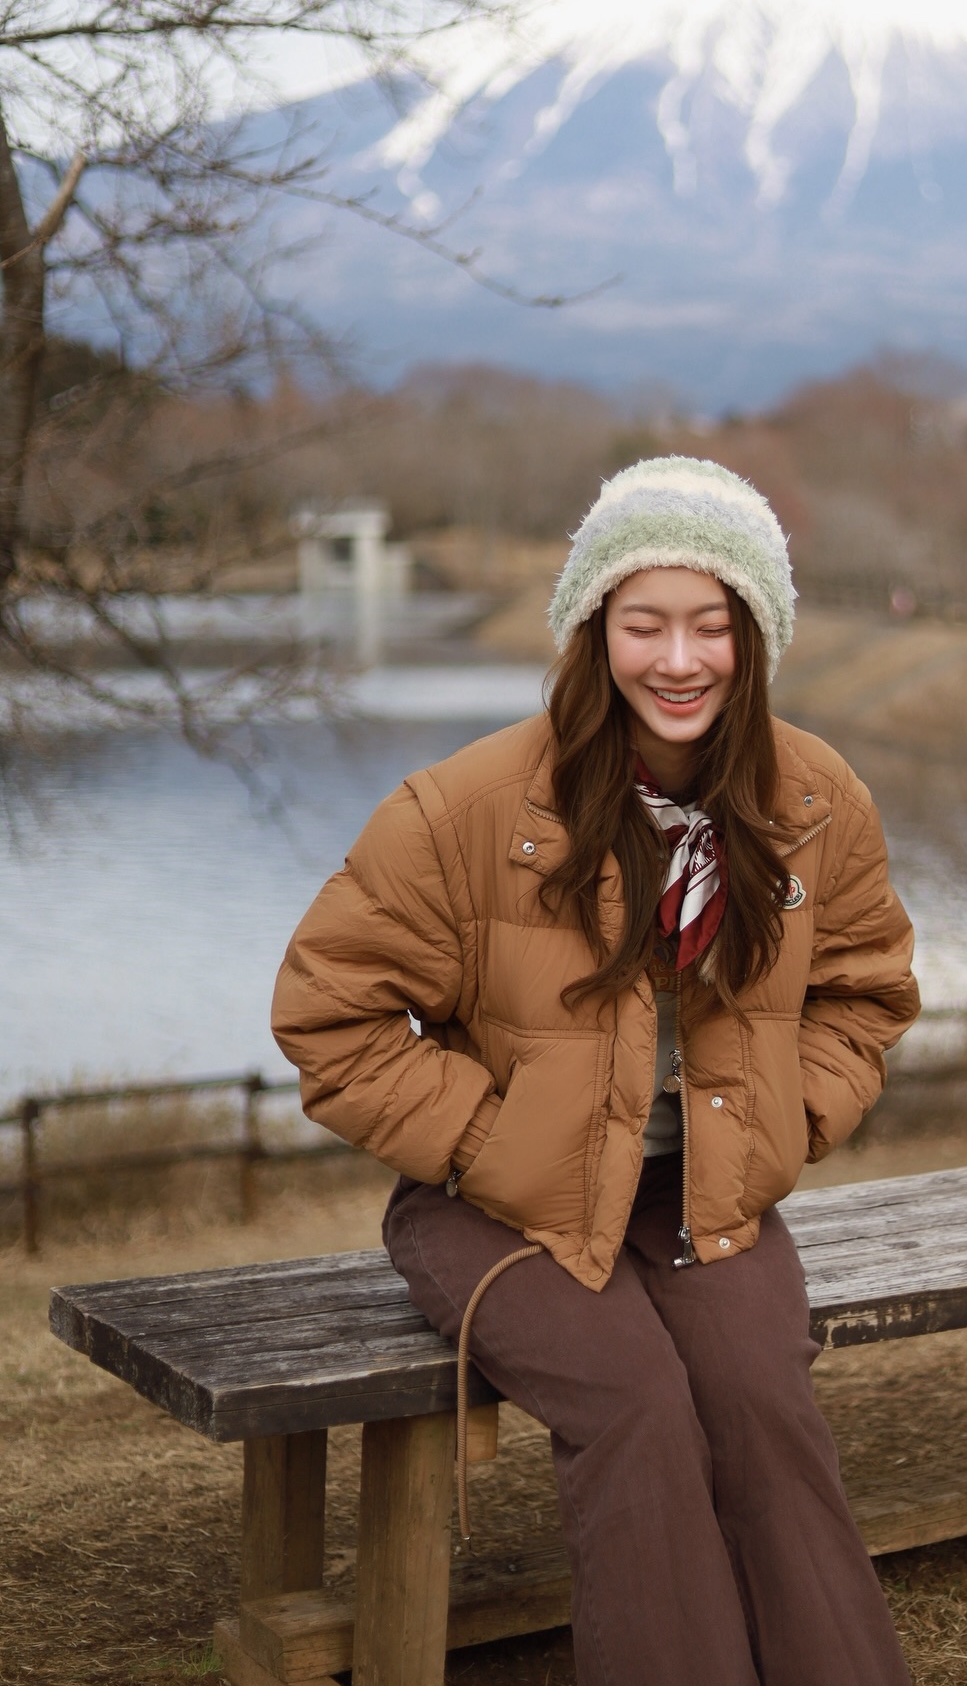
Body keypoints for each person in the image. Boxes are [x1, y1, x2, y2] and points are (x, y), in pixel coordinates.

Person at [272, 456, 921, 1686]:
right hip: (489, 1204)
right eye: (643, 623)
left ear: (756, 636)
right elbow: (328, 1015)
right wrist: (491, 1137)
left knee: (764, 1409)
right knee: (637, 1409)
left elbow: (866, 993)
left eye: (711, 624)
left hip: (698, 1196)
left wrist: (784, 1126)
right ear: (592, 629)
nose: (679, 659)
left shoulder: (814, 798)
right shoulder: (463, 811)